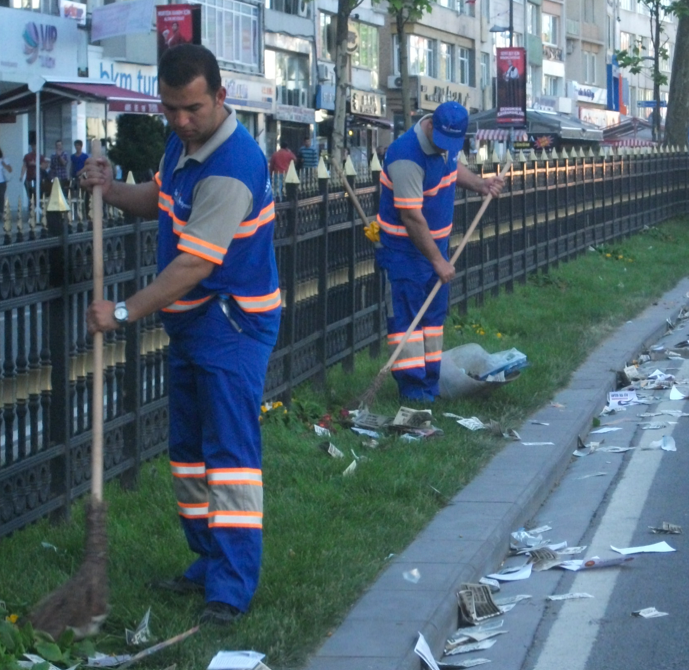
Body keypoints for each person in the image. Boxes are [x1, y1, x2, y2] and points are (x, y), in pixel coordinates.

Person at [83, 44, 281, 626]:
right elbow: (162, 200)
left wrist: (122, 313)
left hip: (234, 323)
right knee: (189, 455)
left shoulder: (235, 167)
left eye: (191, 108)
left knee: (231, 458)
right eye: (170, 109)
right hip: (196, 321)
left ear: (220, 96)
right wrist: (113, 190)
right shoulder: (183, 143)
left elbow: (194, 263)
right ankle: (207, 560)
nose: (179, 120)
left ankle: (232, 586)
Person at [375, 100, 504, 402]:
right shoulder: (406, 156)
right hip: (404, 253)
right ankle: (413, 392)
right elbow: (411, 217)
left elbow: (450, 167)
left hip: (435, 248)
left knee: (432, 323)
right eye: (442, 141)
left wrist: (481, 185)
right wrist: (437, 261)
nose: (446, 148)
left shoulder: (446, 142)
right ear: (430, 123)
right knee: (407, 324)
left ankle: (431, 386)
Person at [71, 140, 90, 213]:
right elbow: (72, 166)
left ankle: (85, 210)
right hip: (75, 178)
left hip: (83, 177)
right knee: (75, 195)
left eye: (78, 145)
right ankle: (76, 211)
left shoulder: (85, 156)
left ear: (81, 146)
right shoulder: (73, 157)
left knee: (84, 194)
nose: (77, 147)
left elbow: (86, 166)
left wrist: (80, 172)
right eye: (76, 145)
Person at [0, 148, 12, 219]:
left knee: (1, 197)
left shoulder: (4, 159)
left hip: (2, 182)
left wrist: (4, 164)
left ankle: (1, 212)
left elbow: (10, 170)